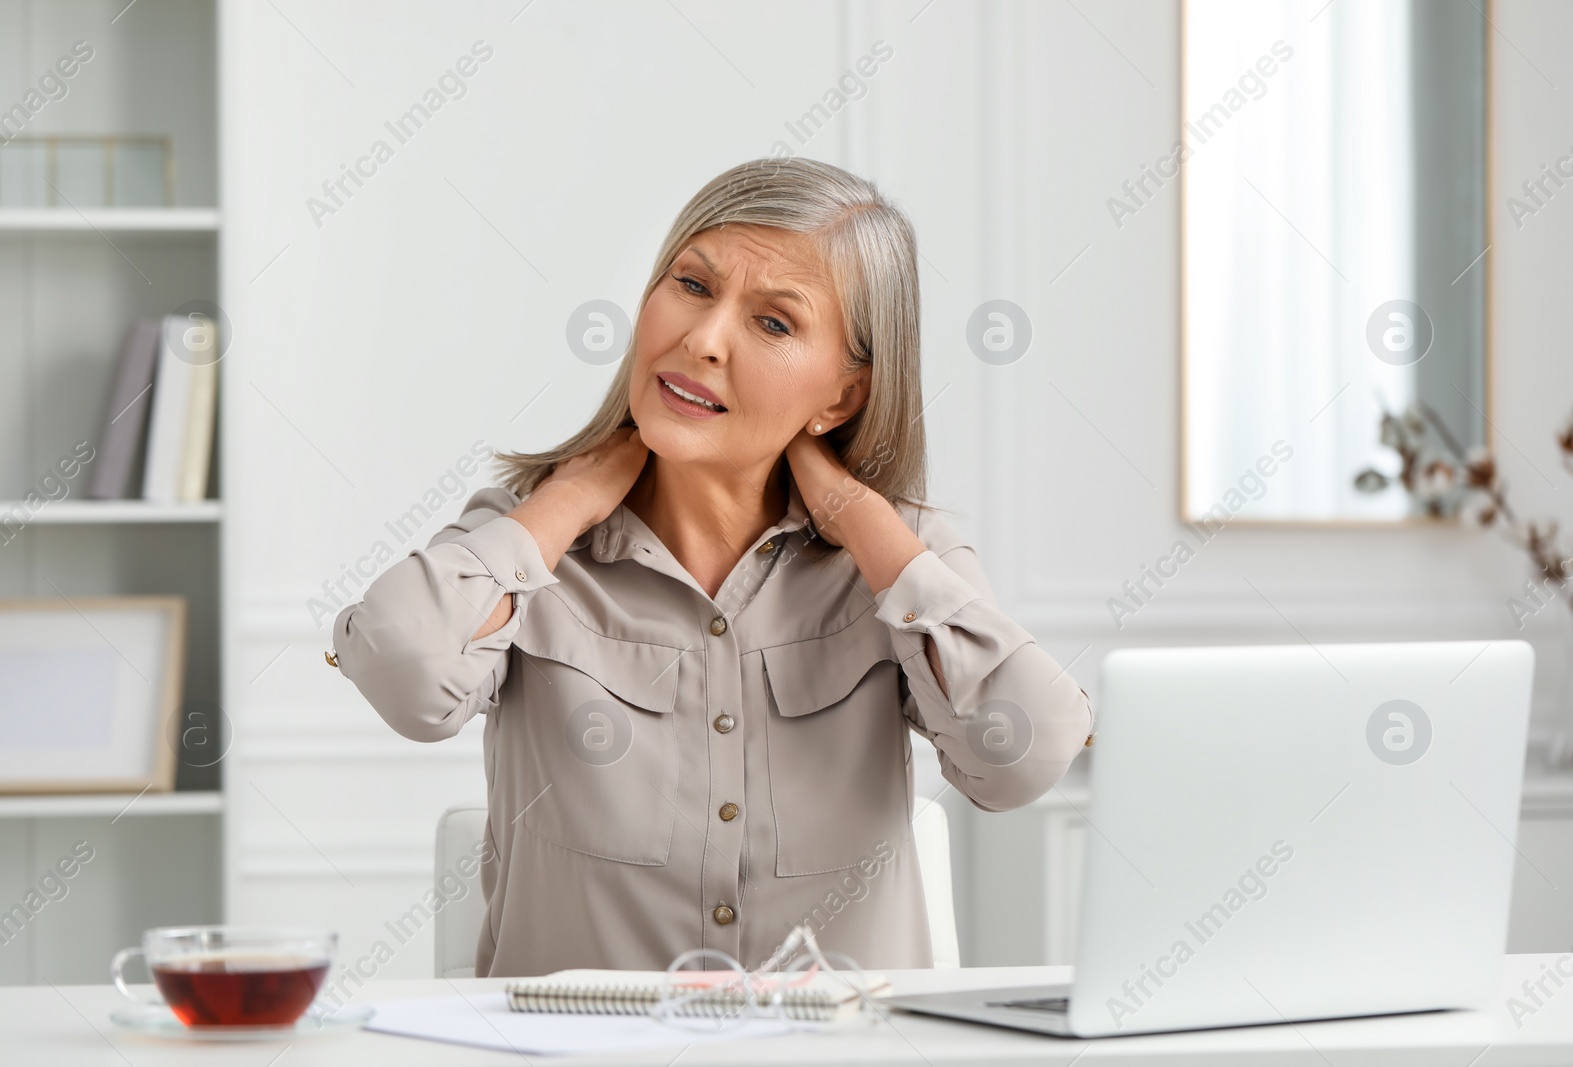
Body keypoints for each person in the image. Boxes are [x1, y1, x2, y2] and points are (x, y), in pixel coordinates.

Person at [330, 157, 1094, 977]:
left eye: (773, 323)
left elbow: (1026, 754)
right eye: (692, 285)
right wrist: (572, 493)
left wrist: (863, 519)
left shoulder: (901, 563)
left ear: (841, 396)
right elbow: (403, 672)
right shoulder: (528, 546)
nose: (702, 339)